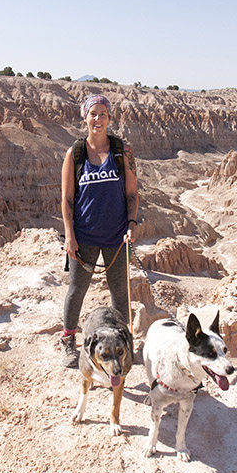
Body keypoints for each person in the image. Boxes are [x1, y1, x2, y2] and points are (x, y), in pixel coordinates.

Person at [59, 94, 139, 367]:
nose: (98, 119)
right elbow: (67, 199)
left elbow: (132, 192)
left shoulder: (122, 151)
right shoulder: (75, 154)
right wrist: (70, 235)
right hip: (85, 237)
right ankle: (69, 340)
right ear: (85, 117)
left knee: (120, 292)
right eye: (93, 113)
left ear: (109, 117)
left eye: (102, 113)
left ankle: (123, 344)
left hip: (117, 236)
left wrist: (131, 224)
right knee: (76, 289)